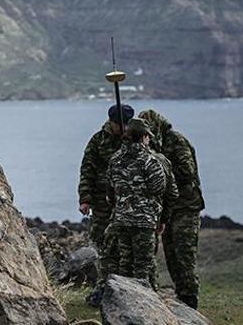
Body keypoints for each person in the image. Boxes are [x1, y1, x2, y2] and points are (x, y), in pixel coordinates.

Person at [139, 109, 205, 309]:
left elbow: (187, 173)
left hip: (186, 207)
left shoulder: (177, 142)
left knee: (184, 253)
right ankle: (181, 294)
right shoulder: (153, 145)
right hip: (168, 209)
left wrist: (161, 170)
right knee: (171, 254)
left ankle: (189, 297)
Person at [106, 117, 167, 285]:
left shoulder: (115, 159)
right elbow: (158, 188)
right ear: (143, 137)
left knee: (125, 263)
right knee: (143, 266)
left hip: (121, 218)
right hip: (143, 220)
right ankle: (143, 305)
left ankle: (123, 298)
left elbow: (110, 188)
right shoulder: (149, 160)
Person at [78, 104, 135, 247]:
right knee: (100, 240)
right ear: (111, 122)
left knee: (126, 243)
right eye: (119, 125)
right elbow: (87, 170)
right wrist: (85, 199)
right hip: (102, 199)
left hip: (129, 200)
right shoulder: (98, 141)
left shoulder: (136, 141)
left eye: (127, 125)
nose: (124, 129)